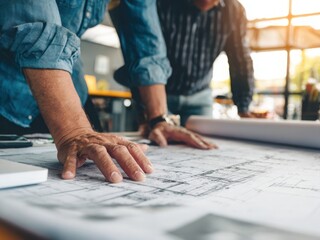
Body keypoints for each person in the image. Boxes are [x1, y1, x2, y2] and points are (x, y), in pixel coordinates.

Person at [0, 0, 209, 183]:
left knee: (98, 153)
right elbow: (32, 23)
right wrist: (74, 132)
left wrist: (158, 119)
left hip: (71, 86)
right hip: (6, 93)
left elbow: (146, 40)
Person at [112, 0, 255, 129]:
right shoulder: (160, 3)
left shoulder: (234, 11)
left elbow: (240, 61)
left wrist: (243, 107)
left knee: (203, 148)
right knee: (155, 141)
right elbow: (144, 52)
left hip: (200, 96)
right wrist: (147, 109)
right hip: (160, 92)